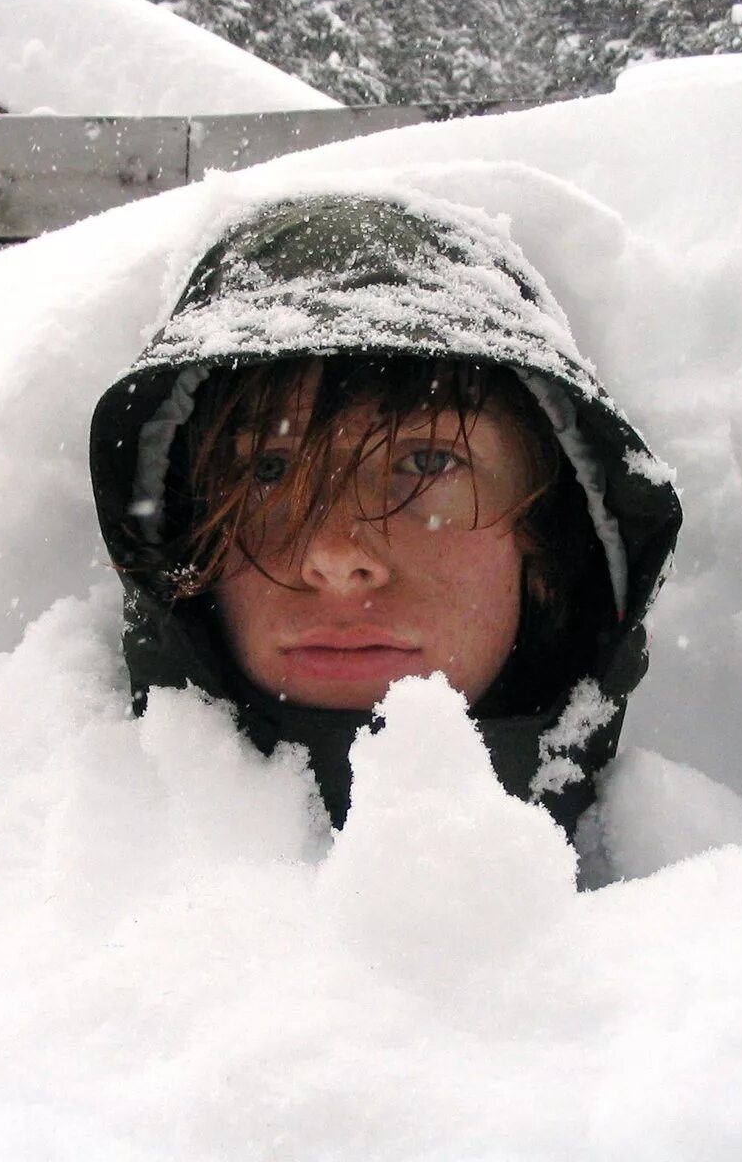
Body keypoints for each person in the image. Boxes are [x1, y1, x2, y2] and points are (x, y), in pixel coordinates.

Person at [89, 192, 680, 837]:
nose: (338, 557)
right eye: (268, 471)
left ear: (544, 540)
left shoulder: (732, 908)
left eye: (427, 463)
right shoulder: (28, 897)